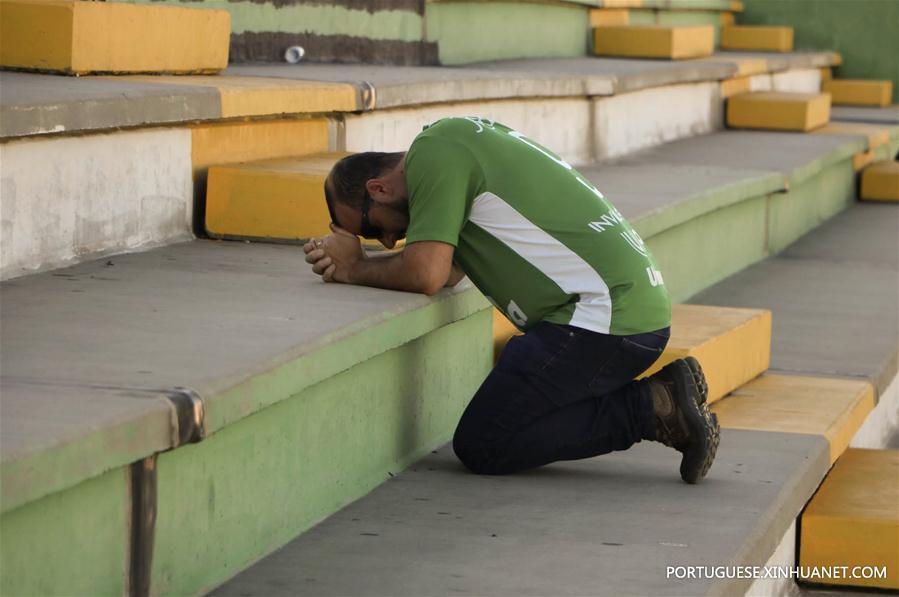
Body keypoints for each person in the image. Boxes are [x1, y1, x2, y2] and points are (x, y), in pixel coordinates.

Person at [304, 117, 719, 483]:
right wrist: (366, 260)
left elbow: (426, 274)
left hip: (602, 322)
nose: (389, 241)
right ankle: (661, 400)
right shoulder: (452, 146)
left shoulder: (434, 155)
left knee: (485, 442)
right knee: (511, 408)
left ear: (377, 188)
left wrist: (353, 268)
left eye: (370, 229)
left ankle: (653, 408)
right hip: (624, 317)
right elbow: (447, 271)